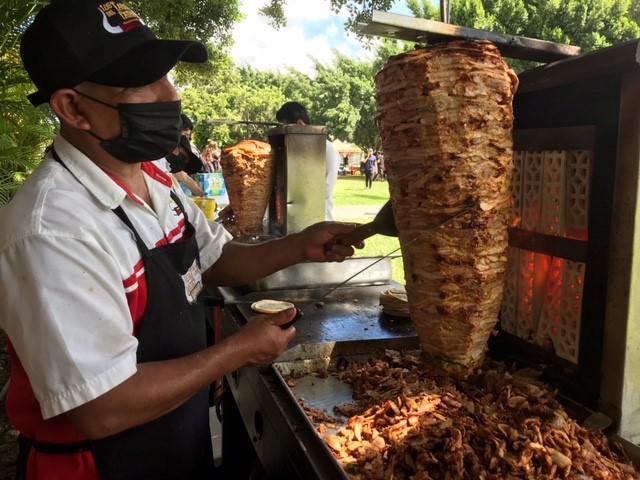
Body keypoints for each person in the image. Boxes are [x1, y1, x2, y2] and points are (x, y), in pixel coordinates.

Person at [0, 2, 358, 479]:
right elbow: (102, 407)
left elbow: (216, 258)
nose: (172, 95)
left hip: (172, 438)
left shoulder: (155, 178)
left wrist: (301, 245)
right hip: (102, 465)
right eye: (141, 82)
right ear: (72, 107)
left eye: (167, 76)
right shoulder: (52, 229)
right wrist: (234, 352)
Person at [275, 101, 340, 221]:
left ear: (299, 123)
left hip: (318, 219)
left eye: (284, 127)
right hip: (292, 219)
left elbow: (326, 189)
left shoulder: (326, 149)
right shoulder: (292, 150)